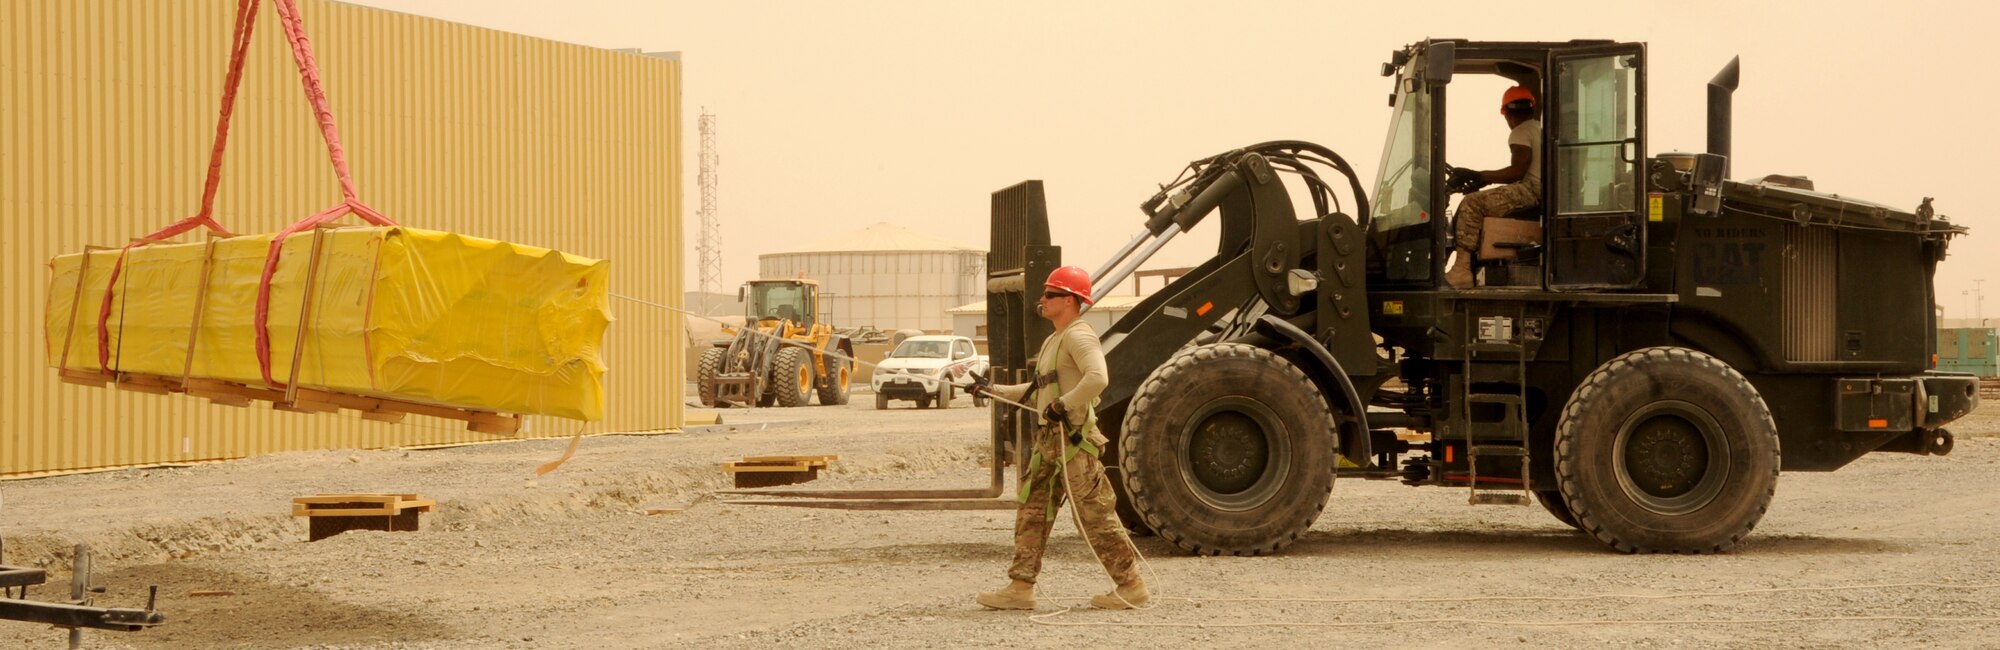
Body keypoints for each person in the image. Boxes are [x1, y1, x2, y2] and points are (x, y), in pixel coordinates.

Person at [966, 265, 1146, 611]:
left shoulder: (1079, 335)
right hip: (1051, 441)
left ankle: (1131, 585)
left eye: (1050, 294)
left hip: (1073, 442)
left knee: (1096, 515)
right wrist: (991, 390)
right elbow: (1038, 391)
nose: (1042, 300)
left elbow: (1098, 378)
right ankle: (1020, 587)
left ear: (1070, 300)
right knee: (1032, 510)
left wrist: (1064, 405)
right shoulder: (1054, 339)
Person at [1444, 85, 1542, 289]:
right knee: (1479, 199)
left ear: (1506, 114)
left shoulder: (1520, 131)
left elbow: (1517, 171)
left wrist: (1479, 175)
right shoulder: (1537, 129)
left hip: (1531, 191)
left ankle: (1461, 270)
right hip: (1537, 190)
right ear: (1531, 108)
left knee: (1472, 203)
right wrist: (1483, 180)